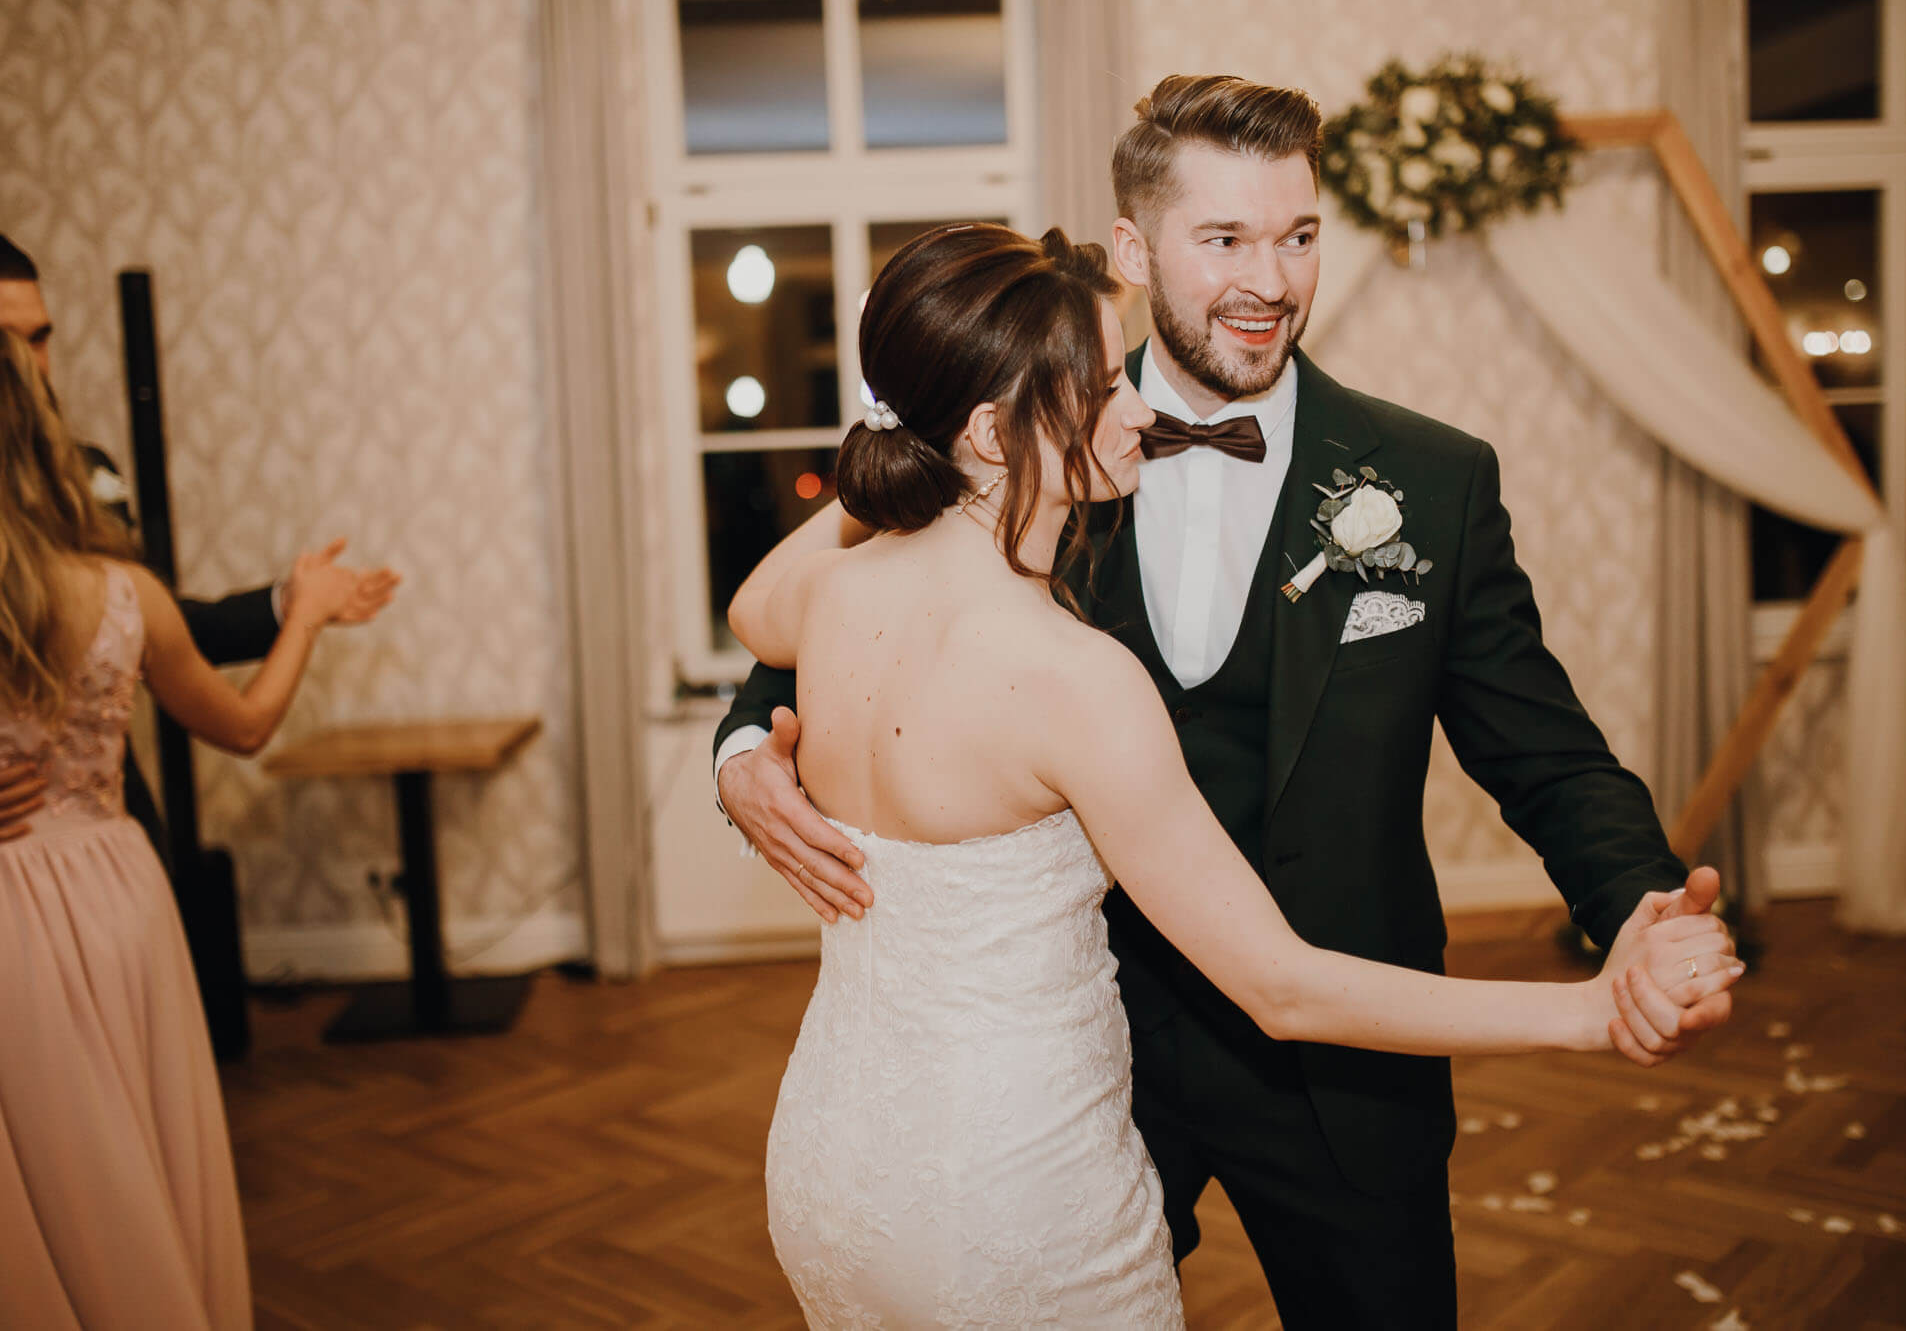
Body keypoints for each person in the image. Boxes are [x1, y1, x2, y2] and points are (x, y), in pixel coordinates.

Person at [715, 76, 1739, 1327]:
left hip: (1342, 1067)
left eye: (1297, 235)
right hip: (1081, 1061)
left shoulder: (1429, 479)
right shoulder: (1054, 431)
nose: (1270, 279)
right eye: (1224, 239)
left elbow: (1544, 751)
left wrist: (1638, 912)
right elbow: (814, 630)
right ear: (1134, 249)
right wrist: (740, 750)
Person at [0, 325, 360, 1328]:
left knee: (36, 1166)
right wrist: (304, 616)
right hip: (116, 893)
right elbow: (245, 726)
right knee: (134, 1141)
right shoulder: (123, 595)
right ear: (45, 444)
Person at [0, 229, 398, 862]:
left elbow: (145, 625)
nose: (28, 367)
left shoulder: (82, 474)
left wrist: (289, 604)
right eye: (2, 343)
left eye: (39, 338)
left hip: (103, 840)